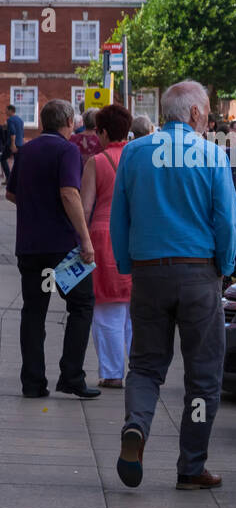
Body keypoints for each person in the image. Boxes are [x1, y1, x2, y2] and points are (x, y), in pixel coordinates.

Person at [110, 79, 236, 490]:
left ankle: (137, 427)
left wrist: (128, 263)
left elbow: (120, 219)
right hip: (199, 273)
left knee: (146, 365)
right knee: (203, 375)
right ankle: (191, 465)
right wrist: (225, 265)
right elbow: (227, 223)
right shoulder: (212, 155)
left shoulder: (133, 154)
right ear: (197, 114)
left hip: (149, 272)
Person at [6, 99, 97, 399]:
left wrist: (37, 209)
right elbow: (69, 193)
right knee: (81, 305)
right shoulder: (67, 150)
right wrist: (85, 239)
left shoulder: (27, 150)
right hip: (63, 247)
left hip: (30, 246)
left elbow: (11, 194)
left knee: (34, 312)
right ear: (69, 121)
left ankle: (33, 382)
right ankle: (72, 375)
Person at [79, 103, 133, 388]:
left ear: (101, 132)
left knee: (106, 310)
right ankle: (139, 370)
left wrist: (80, 239)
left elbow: (85, 207)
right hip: (136, 236)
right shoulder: (138, 159)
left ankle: (112, 373)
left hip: (103, 236)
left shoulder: (96, 162)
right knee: (133, 309)